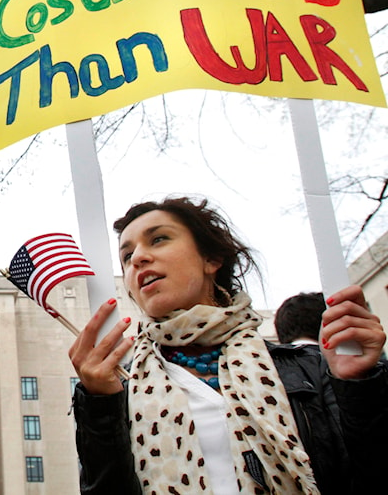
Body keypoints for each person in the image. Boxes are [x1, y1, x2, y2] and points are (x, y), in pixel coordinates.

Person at [69, 196, 387, 495]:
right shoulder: (117, 388)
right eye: (126, 256)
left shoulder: (310, 367)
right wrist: (98, 406)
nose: (137, 258)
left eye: (159, 239)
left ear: (211, 259)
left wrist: (360, 386)